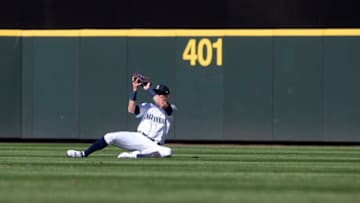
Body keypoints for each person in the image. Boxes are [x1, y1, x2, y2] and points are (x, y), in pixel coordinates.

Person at [66, 75, 176, 158]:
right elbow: (131, 109)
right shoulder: (148, 106)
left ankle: (135, 155)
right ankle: (83, 153)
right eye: (157, 93)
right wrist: (134, 90)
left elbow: (162, 104)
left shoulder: (171, 109)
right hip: (139, 137)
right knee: (110, 136)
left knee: (167, 151)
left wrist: (148, 89)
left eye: (160, 94)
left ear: (167, 96)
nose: (158, 96)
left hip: (153, 144)